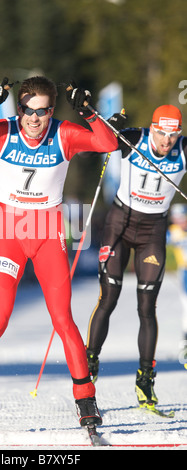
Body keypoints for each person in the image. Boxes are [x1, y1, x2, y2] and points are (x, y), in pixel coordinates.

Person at [0, 76, 118, 434]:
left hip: (46, 233)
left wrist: (88, 112)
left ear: (51, 110)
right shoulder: (1, 131)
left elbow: (107, 142)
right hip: (9, 232)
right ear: (19, 107)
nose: (34, 119)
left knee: (62, 320)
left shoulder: (64, 133)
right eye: (27, 110)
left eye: (42, 111)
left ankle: (86, 402)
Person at [85, 104, 187, 410]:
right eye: (161, 133)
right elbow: (98, 141)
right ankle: (89, 364)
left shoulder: (182, 149)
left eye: (172, 135)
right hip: (120, 223)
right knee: (110, 297)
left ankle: (145, 379)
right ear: (152, 128)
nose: (166, 141)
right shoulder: (133, 139)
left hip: (153, 231)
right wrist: (98, 119)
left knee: (147, 306)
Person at [167, 203, 187, 359]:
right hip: (184, 272)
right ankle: (185, 341)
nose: (180, 221)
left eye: (182, 217)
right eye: (176, 218)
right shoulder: (172, 232)